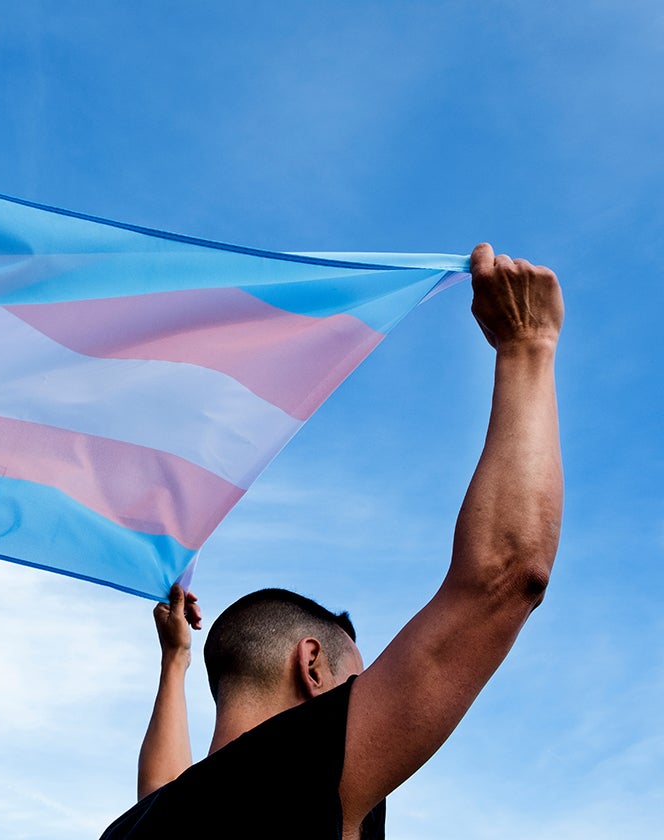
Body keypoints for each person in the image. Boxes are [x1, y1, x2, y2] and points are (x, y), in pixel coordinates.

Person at [101, 243, 564, 839]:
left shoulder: (143, 825)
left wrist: (175, 662)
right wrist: (528, 346)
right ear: (312, 665)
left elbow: (162, 788)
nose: (369, 699)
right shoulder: (284, 782)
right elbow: (506, 576)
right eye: (357, 682)